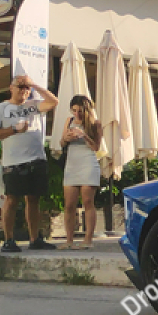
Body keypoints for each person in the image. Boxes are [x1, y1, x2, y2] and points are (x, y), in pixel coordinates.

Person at [0, 73, 59, 252]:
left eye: (27, 87)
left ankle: (35, 238)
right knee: (12, 199)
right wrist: (13, 130)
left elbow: (53, 102)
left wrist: (34, 84)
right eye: (21, 86)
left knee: (34, 199)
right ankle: (9, 239)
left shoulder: (33, 105)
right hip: (14, 161)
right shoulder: (1, 108)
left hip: (36, 158)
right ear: (11, 88)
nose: (24, 90)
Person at [60, 95, 103, 250]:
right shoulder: (69, 121)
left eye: (80, 111)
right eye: (74, 110)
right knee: (69, 204)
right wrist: (67, 138)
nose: (76, 114)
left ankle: (88, 240)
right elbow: (61, 143)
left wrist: (84, 136)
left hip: (88, 163)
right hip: (72, 164)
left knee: (88, 202)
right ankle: (69, 240)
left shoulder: (95, 124)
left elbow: (96, 147)